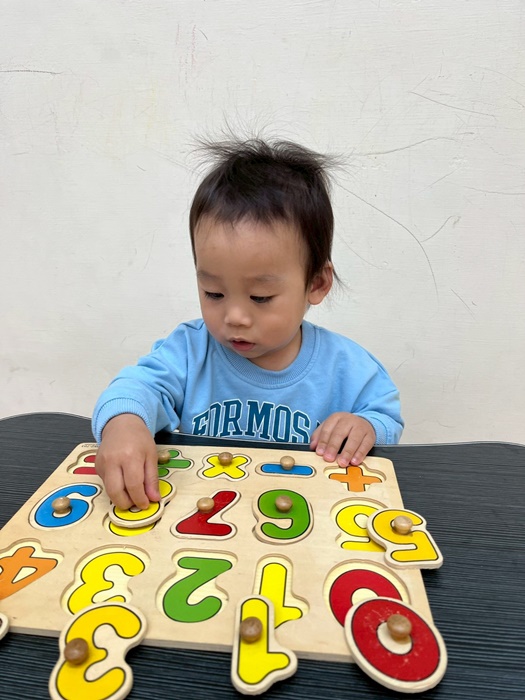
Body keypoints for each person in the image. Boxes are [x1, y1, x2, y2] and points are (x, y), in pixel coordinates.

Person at [92, 138, 403, 510]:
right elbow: (137, 387)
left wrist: (366, 428)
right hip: (202, 516)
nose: (234, 317)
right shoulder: (190, 351)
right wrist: (124, 422)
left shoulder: (347, 367)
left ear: (316, 284)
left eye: (260, 297)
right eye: (214, 293)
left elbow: (385, 420)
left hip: (302, 521)